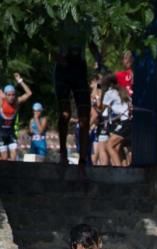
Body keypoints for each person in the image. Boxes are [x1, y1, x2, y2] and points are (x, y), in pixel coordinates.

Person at [53, 13, 100, 168]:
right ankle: (63, 152)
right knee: (65, 114)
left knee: (84, 118)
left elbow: (93, 43)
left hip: (79, 67)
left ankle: (83, 158)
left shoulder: (86, 17)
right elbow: (48, 42)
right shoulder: (60, 16)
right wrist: (58, 57)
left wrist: (99, 61)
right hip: (63, 68)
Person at [98, 73, 131, 167]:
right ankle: (124, 168)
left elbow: (101, 109)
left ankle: (119, 170)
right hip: (130, 121)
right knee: (117, 148)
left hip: (126, 122)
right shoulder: (122, 90)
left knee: (109, 145)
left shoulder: (109, 93)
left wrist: (100, 93)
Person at [0, 74, 32, 161]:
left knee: (13, 159)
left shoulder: (17, 102)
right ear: (5, 95)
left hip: (11, 134)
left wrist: (20, 81)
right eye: (9, 95)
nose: (11, 97)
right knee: (4, 158)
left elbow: (29, 93)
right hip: (0, 134)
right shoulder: (1, 100)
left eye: (13, 95)